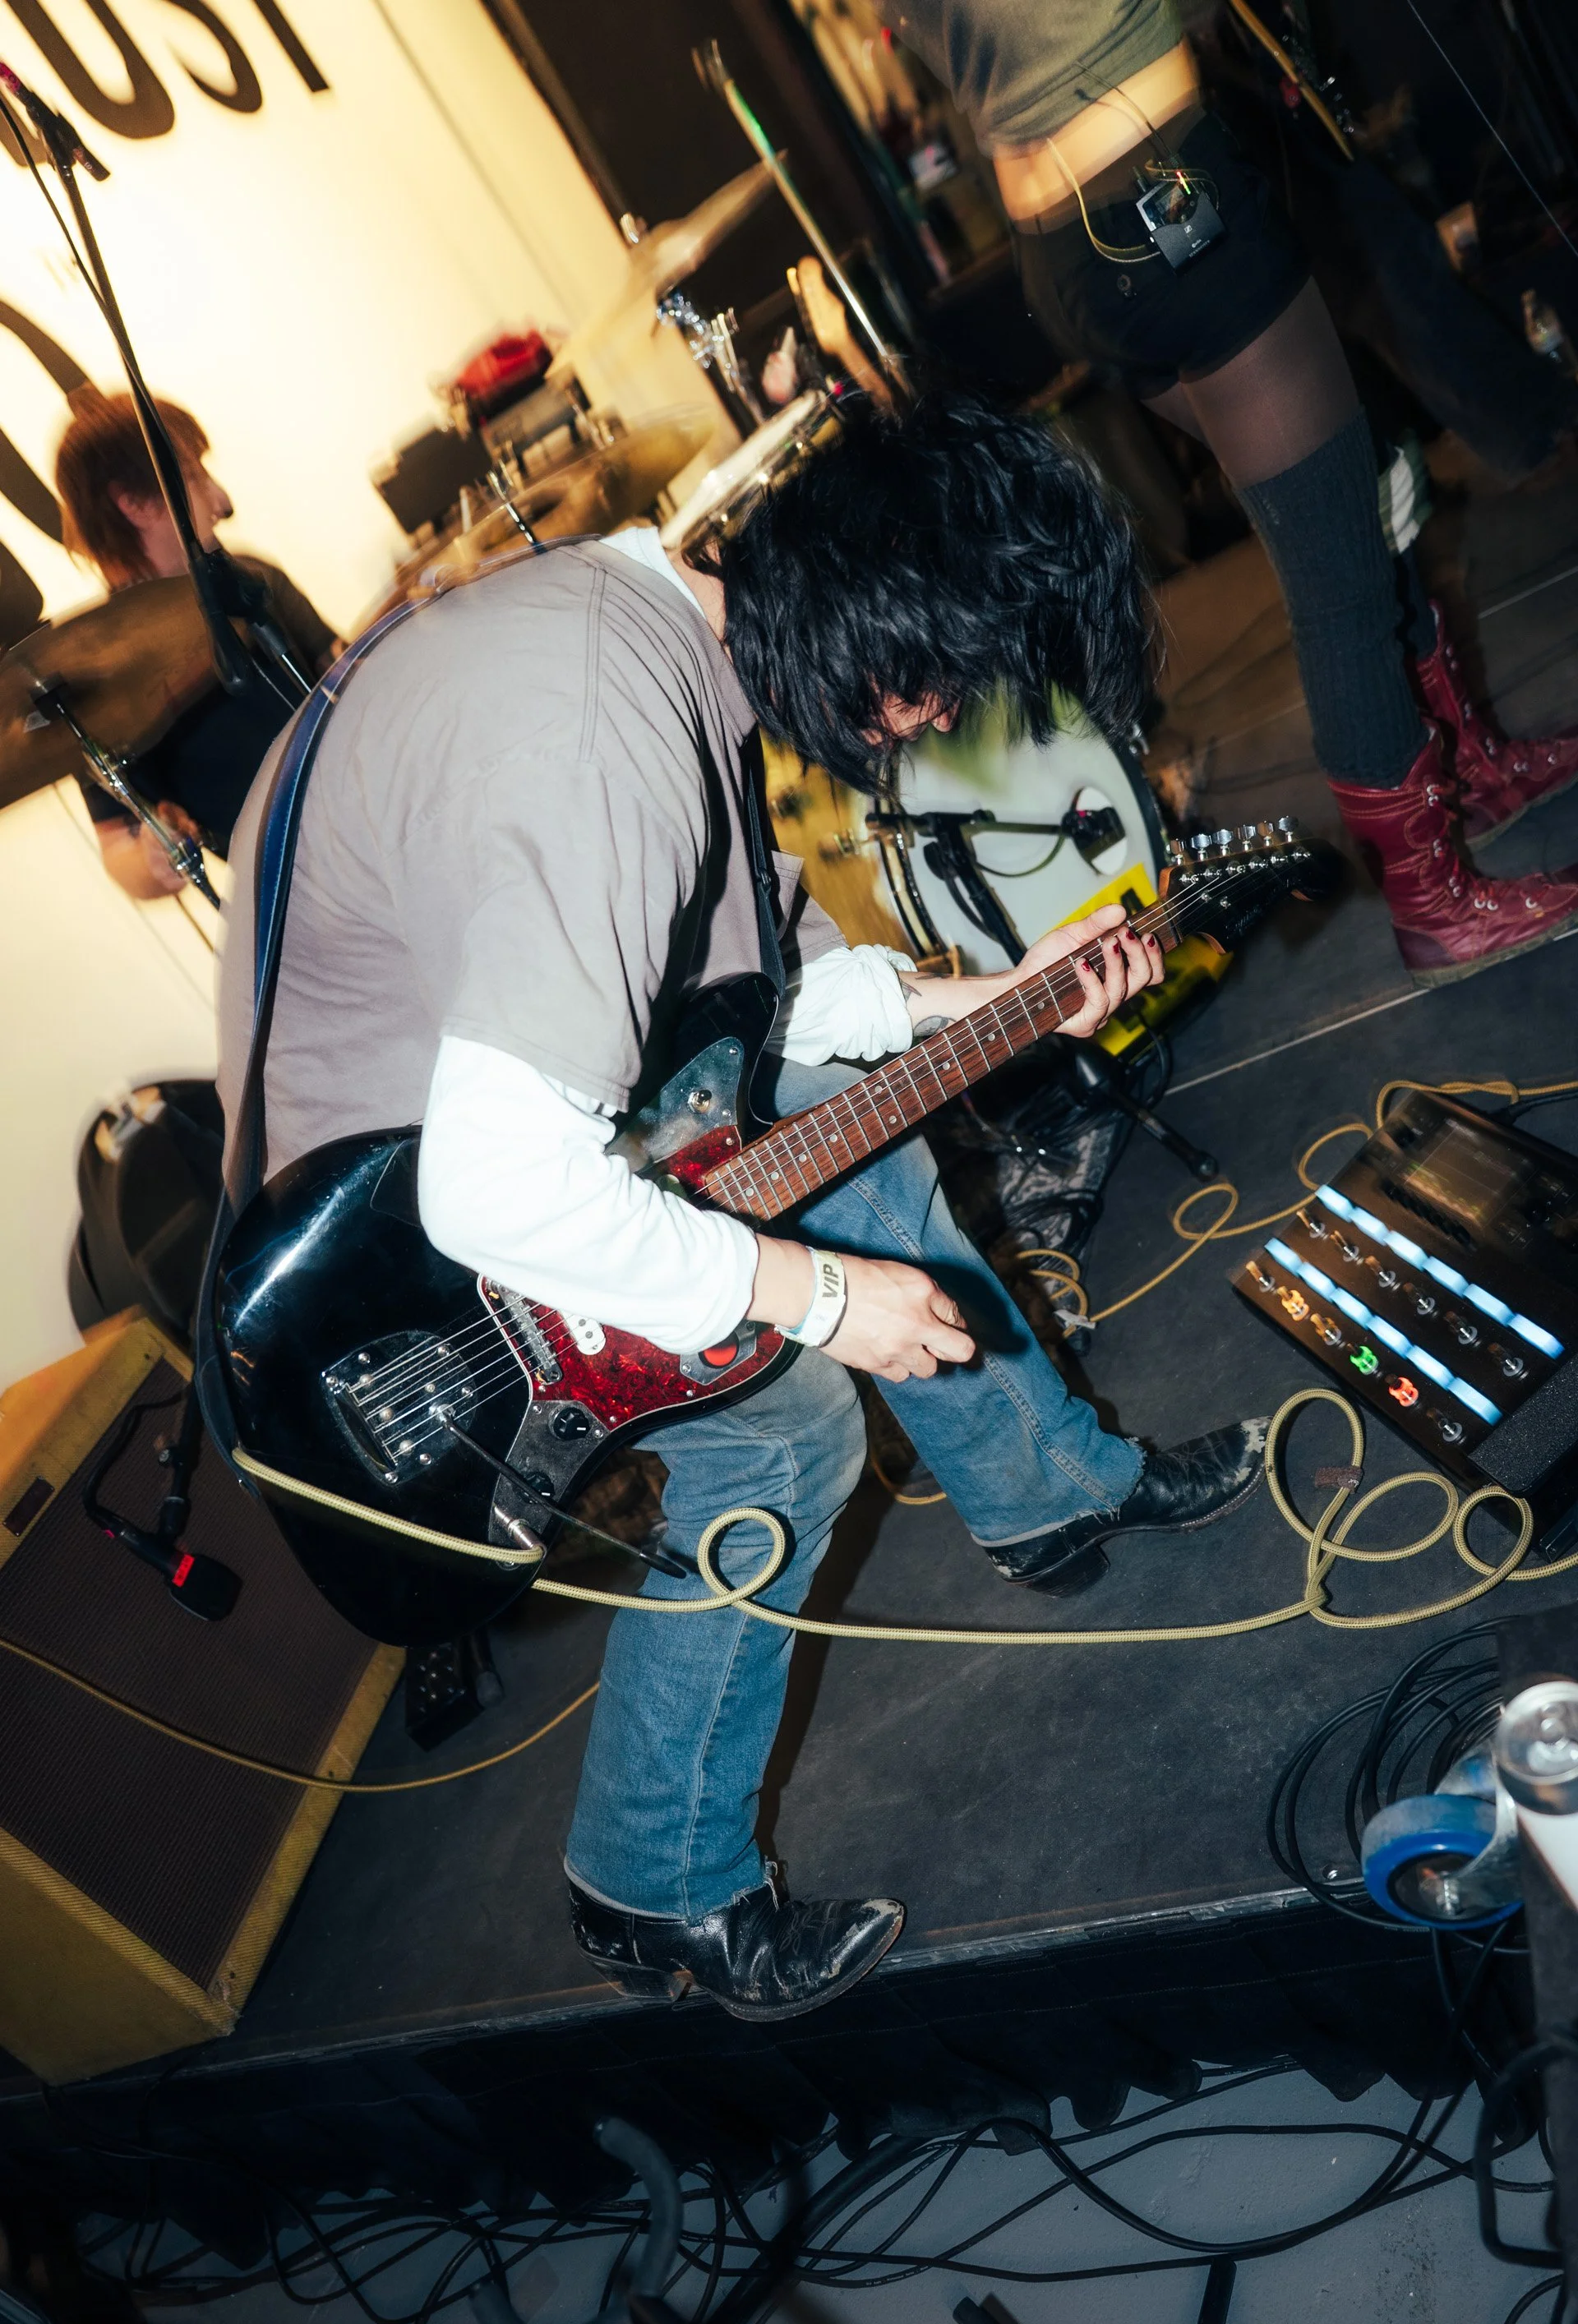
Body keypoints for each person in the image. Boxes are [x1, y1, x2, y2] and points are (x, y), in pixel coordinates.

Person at [218, 391, 1269, 2021]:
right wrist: (820, 1300)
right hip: (412, 1280)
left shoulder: (668, 642)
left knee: (866, 1156)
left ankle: (1046, 1494)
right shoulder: (599, 737)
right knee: (782, 1434)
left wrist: (1003, 996)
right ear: (885, 641)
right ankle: (654, 1886)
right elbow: (503, 1185)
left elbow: (761, 1002)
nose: (938, 738)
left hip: (506, 1119)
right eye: (948, 702)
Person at [882, 1, 1578, 980]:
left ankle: (1466, 765)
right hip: (1164, 204)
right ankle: (1434, 903)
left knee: (1348, 486)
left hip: (1062, 250)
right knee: (1335, 577)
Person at [53, 387, 338, 901]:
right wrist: (150, 858)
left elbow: (344, 668)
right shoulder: (94, 681)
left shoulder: (253, 579)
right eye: (195, 477)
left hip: (377, 818)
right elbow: (118, 847)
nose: (221, 501)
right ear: (136, 504)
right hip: (299, 899)